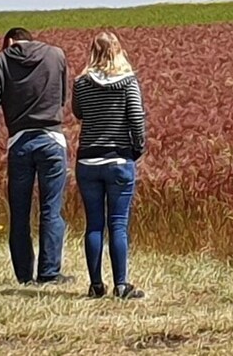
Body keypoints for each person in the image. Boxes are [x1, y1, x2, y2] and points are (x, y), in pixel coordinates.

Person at [0, 27, 71, 285]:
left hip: (19, 142)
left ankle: (23, 276)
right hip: (52, 140)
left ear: (9, 42)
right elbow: (64, 97)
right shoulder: (56, 55)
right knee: (51, 210)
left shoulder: (2, 59)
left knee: (19, 212)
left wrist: (11, 94)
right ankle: (49, 273)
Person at [72, 32, 147, 299]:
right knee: (117, 224)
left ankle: (95, 285)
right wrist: (138, 146)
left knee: (93, 224)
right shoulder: (128, 82)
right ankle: (122, 285)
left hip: (88, 159)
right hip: (118, 158)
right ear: (118, 50)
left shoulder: (81, 82)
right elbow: (136, 116)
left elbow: (78, 112)